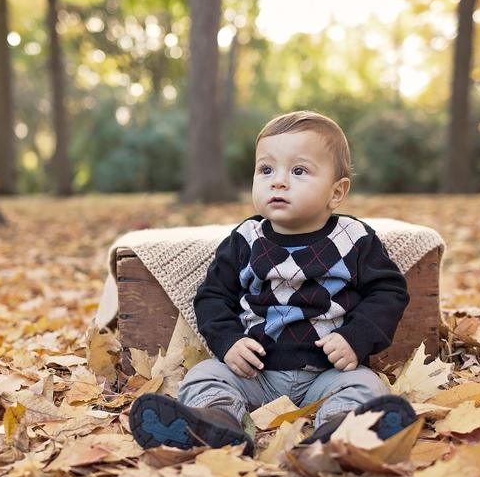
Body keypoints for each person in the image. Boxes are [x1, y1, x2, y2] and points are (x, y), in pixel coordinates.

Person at [129, 111, 417, 456]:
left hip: (328, 373)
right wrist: (229, 341)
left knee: (364, 385)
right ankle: (217, 422)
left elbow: (388, 291)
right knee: (206, 374)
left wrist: (355, 338)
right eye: (266, 170)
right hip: (255, 374)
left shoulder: (353, 239)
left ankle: (340, 431)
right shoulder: (245, 239)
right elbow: (212, 296)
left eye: (299, 171)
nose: (278, 182)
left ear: (336, 192)